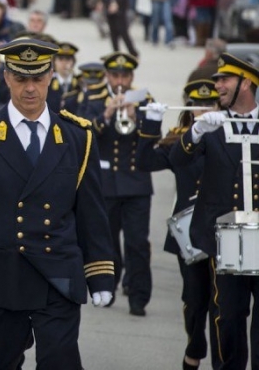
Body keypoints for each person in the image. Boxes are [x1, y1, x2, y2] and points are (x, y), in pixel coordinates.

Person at [0, 38, 115, 369]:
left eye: (37, 78)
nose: (30, 89)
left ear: (51, 76)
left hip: (58, 274)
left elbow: (91, 211)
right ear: (6, 78)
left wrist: (100, 272)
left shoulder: (78, 135)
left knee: (61, 362)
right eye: (21, 79)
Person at [170, 53, 259, 370]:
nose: (217, 84)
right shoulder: (213, 126)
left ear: (246, 83)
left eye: (225, 79)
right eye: (218, 79)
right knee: (229, 319)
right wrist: (194, 133)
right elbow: (176, 162)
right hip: (226, 240)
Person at [138, 80, 220, 370]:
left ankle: (220, 360)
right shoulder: (180, 139)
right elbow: (145, 161)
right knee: (194, 298)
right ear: (188, 108)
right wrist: (152, 123)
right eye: (198, 105)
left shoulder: (229, 136)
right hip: (190, 233)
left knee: (223, 303)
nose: (203, 111)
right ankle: (194, 349)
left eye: (210, 105)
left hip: (222, 230)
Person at [84, 52, 154, 316]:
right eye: (115, 75)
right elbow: (85, 134)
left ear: (131, 77)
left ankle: (138, 296)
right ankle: (108, 287)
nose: (120, 80)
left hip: (137, 183)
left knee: (137, 243)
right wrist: (107, 113)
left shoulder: (144, 99)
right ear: (107, 76)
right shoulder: (93, 99)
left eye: (125, 75)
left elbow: (154, 137)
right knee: (107, 242)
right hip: (106, 184)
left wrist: (138, 119)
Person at [46, 42, 80, 114]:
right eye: (61, 59)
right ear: (54, 62)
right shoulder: (47, 83)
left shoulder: (80, 83)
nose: (64, 63)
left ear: (73, 62)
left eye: (68, 59)